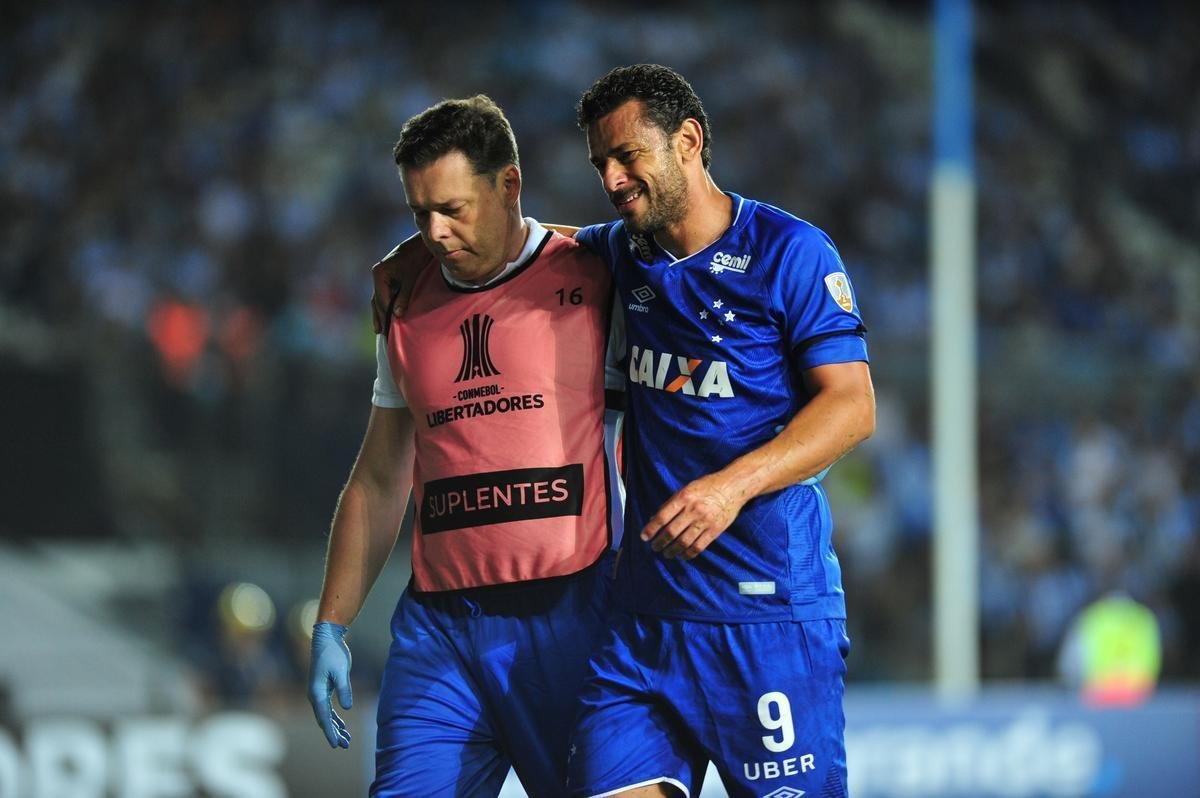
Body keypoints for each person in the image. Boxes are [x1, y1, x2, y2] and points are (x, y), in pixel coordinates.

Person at [372, 65, 875, 798]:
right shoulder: (620, 255)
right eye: (599, 164)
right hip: (643, 623)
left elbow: (852, 407)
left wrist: (728, 489)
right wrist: (413, 251)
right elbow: (524, 240)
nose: (611, 180)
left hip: (766, 617)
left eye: (627, 158)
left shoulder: (789, 254)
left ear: (689, 142)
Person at [308, 94, 624, 797]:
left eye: (453, 208)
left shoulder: (597, 280)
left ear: (509, 185)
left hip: (573, 613)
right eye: (418, 213)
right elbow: (381, 477)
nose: (435, 231)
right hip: (440, 629)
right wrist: (332, 620)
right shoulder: (404, 305)